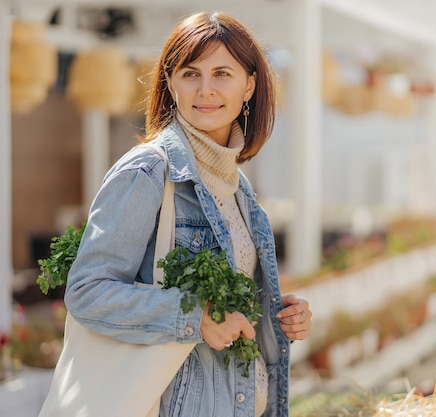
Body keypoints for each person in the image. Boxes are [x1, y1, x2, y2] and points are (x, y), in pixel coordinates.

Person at [64, 11, 312, 417]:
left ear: (249, 85)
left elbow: (231, 307)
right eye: (190, 73)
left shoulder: (238, 187)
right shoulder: (148, 172)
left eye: (222, 74)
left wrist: (278, 314)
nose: (205, 90)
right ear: (170, 82)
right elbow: (87, 291)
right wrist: (196, 318)